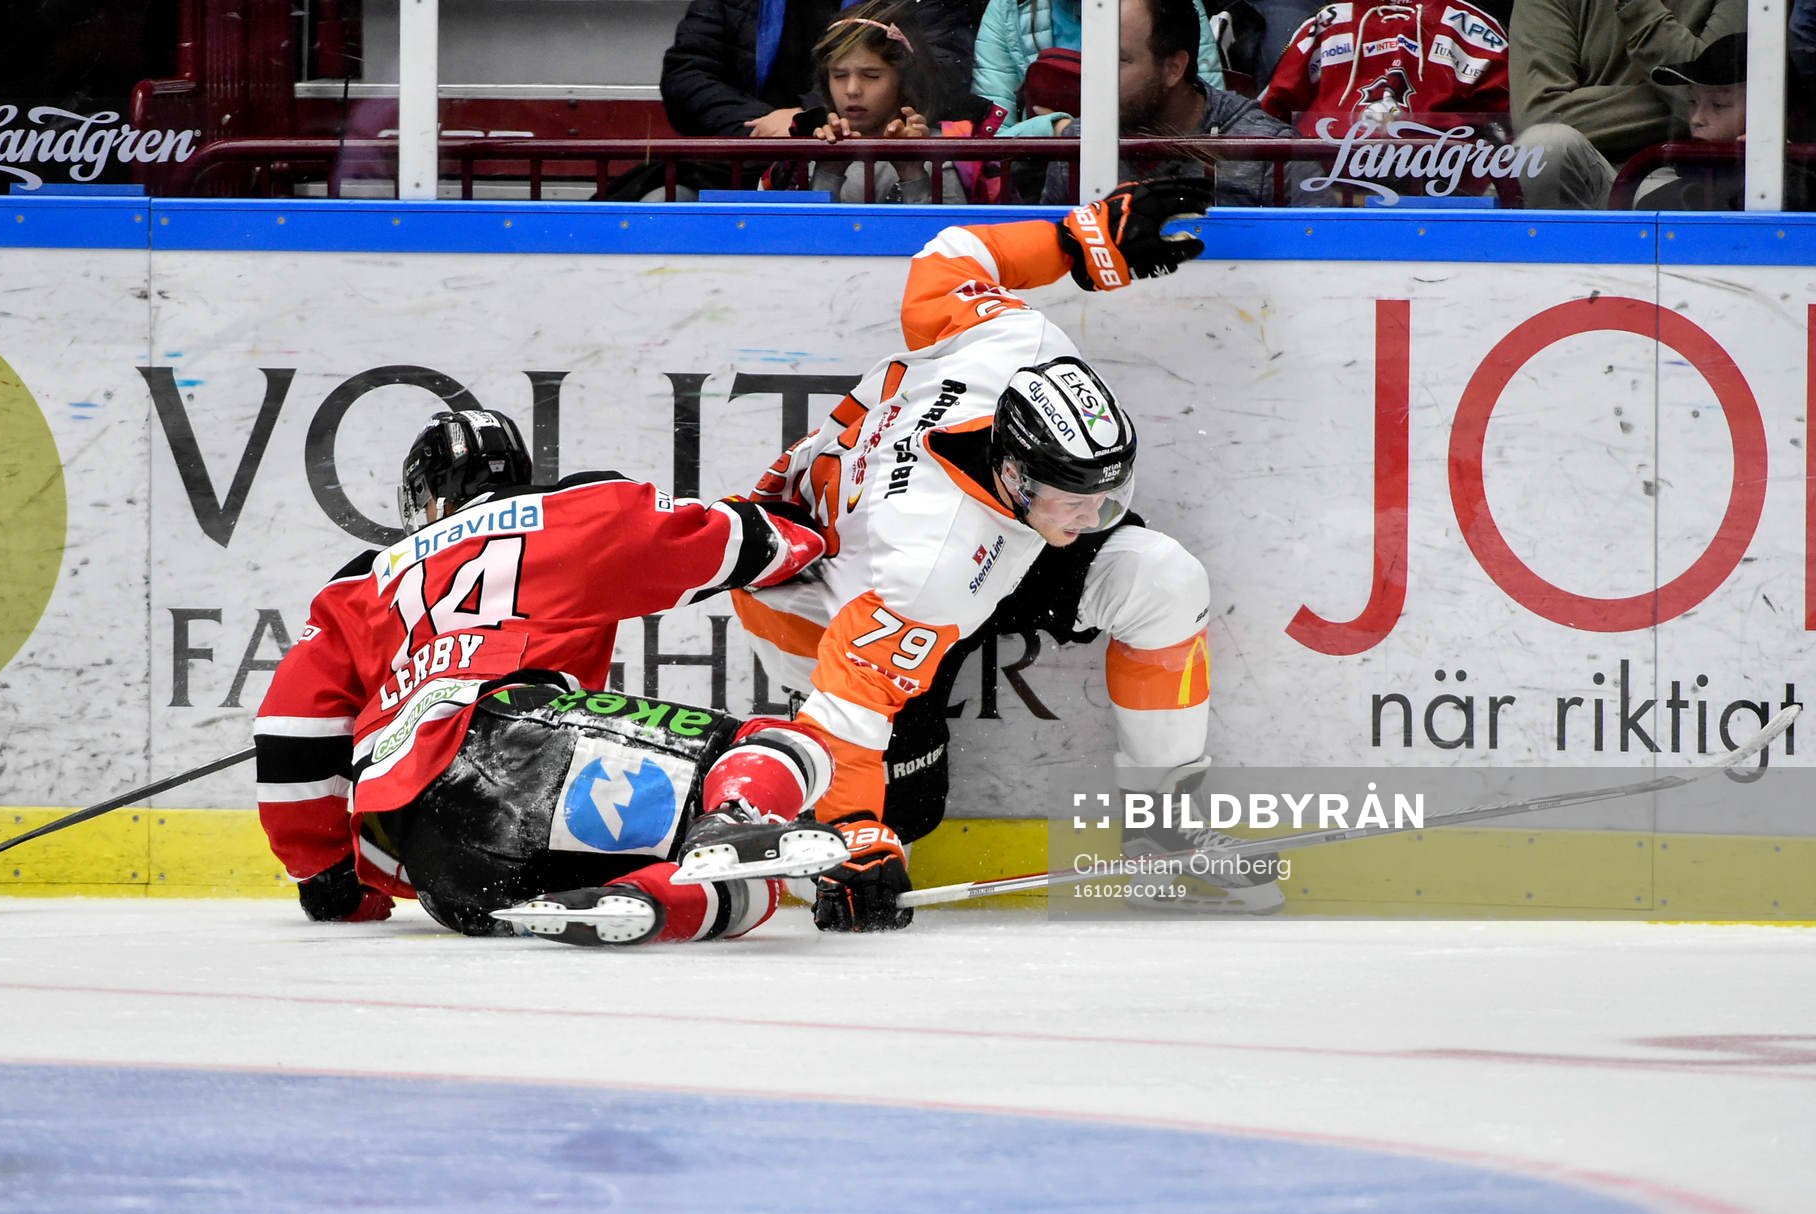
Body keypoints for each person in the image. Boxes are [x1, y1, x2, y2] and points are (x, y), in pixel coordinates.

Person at [734, 176, 1284, 925]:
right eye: (1077, 499)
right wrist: (852, 838)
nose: (1095, 516)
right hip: (835, 600)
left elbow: (951, 253)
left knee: (1161, 578)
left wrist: (1075, 241)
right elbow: (851, 705)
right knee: (905, 818)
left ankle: (1163, 835)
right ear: (1018, 472)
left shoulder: (1017, 341)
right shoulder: (929, 559)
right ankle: (796, 835)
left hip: (990, 541)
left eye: (1105, 494)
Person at [254, 409, 884, 946]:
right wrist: (811, 536)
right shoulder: (566, 511)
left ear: (426, 497)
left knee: (740, 883)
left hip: (435, 866)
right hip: (526, 750)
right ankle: (732, 819)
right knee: (790, 747)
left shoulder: (361, 582)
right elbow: (726, 542)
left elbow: (291, 731)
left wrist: (326, 878)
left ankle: (641, 898)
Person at [1039, 0, 1332, 207]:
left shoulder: (1270, 151)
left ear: (1174, 69)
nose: (1094, 76)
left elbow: (1324, 270)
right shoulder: (1078, 143)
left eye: (1118, 60)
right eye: (1094, 55)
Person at [763, 2, 1012, 202]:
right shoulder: (800, 153)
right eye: (838, 76)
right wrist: (828, 170)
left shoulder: (950, 154)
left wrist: (912, 171)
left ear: (905, 81)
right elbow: (798, 244)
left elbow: (947, 242)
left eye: (871, 76)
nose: (852, 90)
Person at [1508, 0, 1744, 208]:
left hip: (1690, 171)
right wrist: (1693, 97)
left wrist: (1637, 6)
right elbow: (1538, 116)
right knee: (1545, 146)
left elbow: (1737, 102)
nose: (1697, 112)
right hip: (1586, 168)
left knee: (1666, 200)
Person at [660, 0, 980, 139]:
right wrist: (769, 129)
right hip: (741, 157)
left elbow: (939, 71)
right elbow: (685, 76)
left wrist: (807, 119)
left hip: (860, 152)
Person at [1259, 0, 1512, 140]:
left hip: (1446, 202)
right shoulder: (1327, 24)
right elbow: (1265, 122)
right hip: (1324, 201)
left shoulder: (1472, 30)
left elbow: (1510, 130)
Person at [971, 0, 1228, 138]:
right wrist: (1053, 129)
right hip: (1044, 170)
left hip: (1157, 163)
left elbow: (1204, 112)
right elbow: (991, 136)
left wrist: (1073, 132)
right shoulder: (1008, 8)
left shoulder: (1167, 5)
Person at [1634, 31, 1744, 208]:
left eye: (1719, 104)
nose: (1696, 118)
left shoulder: (1794, 194)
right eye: (1692, 101)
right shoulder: (1661, 199)